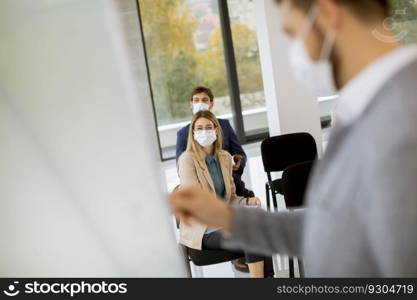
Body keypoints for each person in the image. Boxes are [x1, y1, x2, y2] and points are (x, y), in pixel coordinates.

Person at [170, 0, 417, 277]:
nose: (294, 51)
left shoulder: (404, 115)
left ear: (326, 13)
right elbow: (330, 229)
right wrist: (226, 217)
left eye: (293, 33)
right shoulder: (361, 108)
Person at [178, 110, 274, 278]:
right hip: (203, 229)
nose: (204, 131)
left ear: (216, 129)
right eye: (199, 128)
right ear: (193, 133)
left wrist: (247, 201)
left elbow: (230, 199)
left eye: (208, 127)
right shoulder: (187, 159)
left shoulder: (224, 157)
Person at [176, 86, 253, 197]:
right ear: (191, 104)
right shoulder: (183, 133)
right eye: (196, 100)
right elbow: (181, 168)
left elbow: (241, 155)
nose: (200, 103)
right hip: (202, 187)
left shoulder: (225, 125)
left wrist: (232, 170)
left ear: (211, 103)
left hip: (229, 182)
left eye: (204, 100)